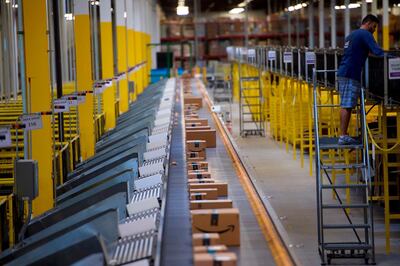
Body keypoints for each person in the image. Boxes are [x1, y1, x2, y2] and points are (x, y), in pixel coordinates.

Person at [337, 14, 384, 145]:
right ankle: (343, 136)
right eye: (374, 26)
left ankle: (343, 134)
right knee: (347, 105)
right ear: (368, 23)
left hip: (343, 72)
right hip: (350, 74)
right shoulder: (365, 34)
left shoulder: (351, 35)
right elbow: (377, 51)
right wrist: (393, 57)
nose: (374, 30)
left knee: (345, 104)